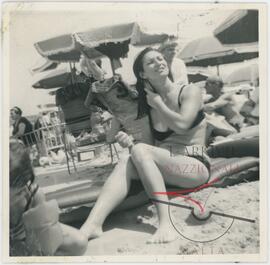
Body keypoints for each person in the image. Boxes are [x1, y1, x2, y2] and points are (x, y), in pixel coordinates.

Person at [80, 47, 210, 244]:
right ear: (142, 74)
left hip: (194, 166)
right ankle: (93, 224)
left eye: (160, 58)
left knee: (139, 151)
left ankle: (166, 224)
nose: (159, 62)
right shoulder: (146, 104)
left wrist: (158, 104)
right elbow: (149, 147)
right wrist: (129, 142)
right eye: (151, 62)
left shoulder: (189, 91)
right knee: (127, 157)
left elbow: (183, 126)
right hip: (168, 168)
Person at [9, 139, 87, 256]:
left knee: (79, 242)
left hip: (29, 236)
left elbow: (46, 238)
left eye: (19, 192)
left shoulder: (33, 194)